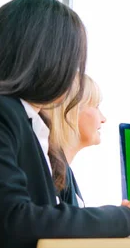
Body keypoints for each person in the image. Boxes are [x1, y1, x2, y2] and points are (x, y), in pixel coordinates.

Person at [0, 0, 130, 248]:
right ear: (49, 58)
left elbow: (41, 217)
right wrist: (124, 218)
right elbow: (12, 220)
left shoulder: (29, 121)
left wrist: (129, 217)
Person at [44, 74, 106, 207]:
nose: (103, 118)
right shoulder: (52, 171)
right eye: (96, 106)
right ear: (72, 110)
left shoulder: (63, 171)